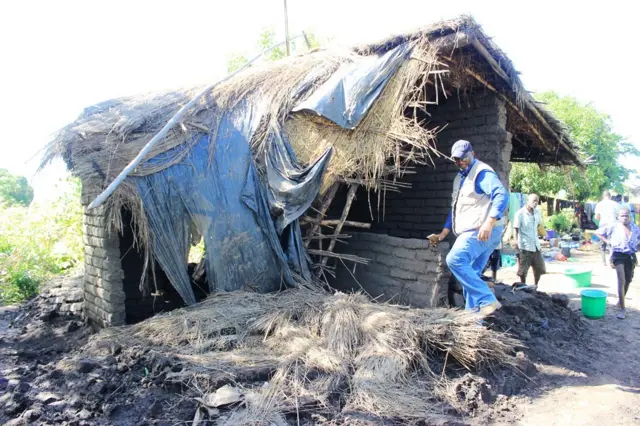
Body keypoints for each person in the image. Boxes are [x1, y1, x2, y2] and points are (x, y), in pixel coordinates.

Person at [431, 140, 508, 316]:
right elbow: (455, 209)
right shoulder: (460, 179)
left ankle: (487, 299)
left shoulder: (481, 173)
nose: (460, 162)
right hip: (482, 230)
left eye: (463, 158)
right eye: (456, 159)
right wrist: (443, 234)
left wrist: (489, 222)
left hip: (483, 229)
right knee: (470, 275)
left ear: (472, 153)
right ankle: (473, 323)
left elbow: (501, 195)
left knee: (455, 259)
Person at [595, 208, 640, 319]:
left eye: (626, 215)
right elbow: (598, 233)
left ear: (630, 215)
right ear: (618, 217)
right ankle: (623, 309)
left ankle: (621, 300)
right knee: (622, 280)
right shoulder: (614, 226)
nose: (624, 217)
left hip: (630, 256)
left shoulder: (635, 228)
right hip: (618, 255)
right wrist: (608, 242)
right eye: (622, 215)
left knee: (628, 280)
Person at [513, 194, 546, 287]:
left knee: (540, 268)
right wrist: (516, 242)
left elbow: (539, 226)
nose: (535, 203)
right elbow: (516, 228)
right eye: (533, 201)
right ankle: (523, 287)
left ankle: (536, 285)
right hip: (525, 245)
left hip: (535, 245)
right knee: (523, 270)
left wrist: (542, 236)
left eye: (537, 201)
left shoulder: (537, 213)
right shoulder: (520, 213)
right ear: (528, 201)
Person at [595, 190, 619, 266]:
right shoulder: (616, 204)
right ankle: (612, 261)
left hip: (603, 225)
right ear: (610, 196)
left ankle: (603, 261)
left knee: (603, 244)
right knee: (612, 243)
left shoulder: (599, 204)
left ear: (603, 196)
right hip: (613, 225)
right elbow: (619, 216)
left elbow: (597, 217)